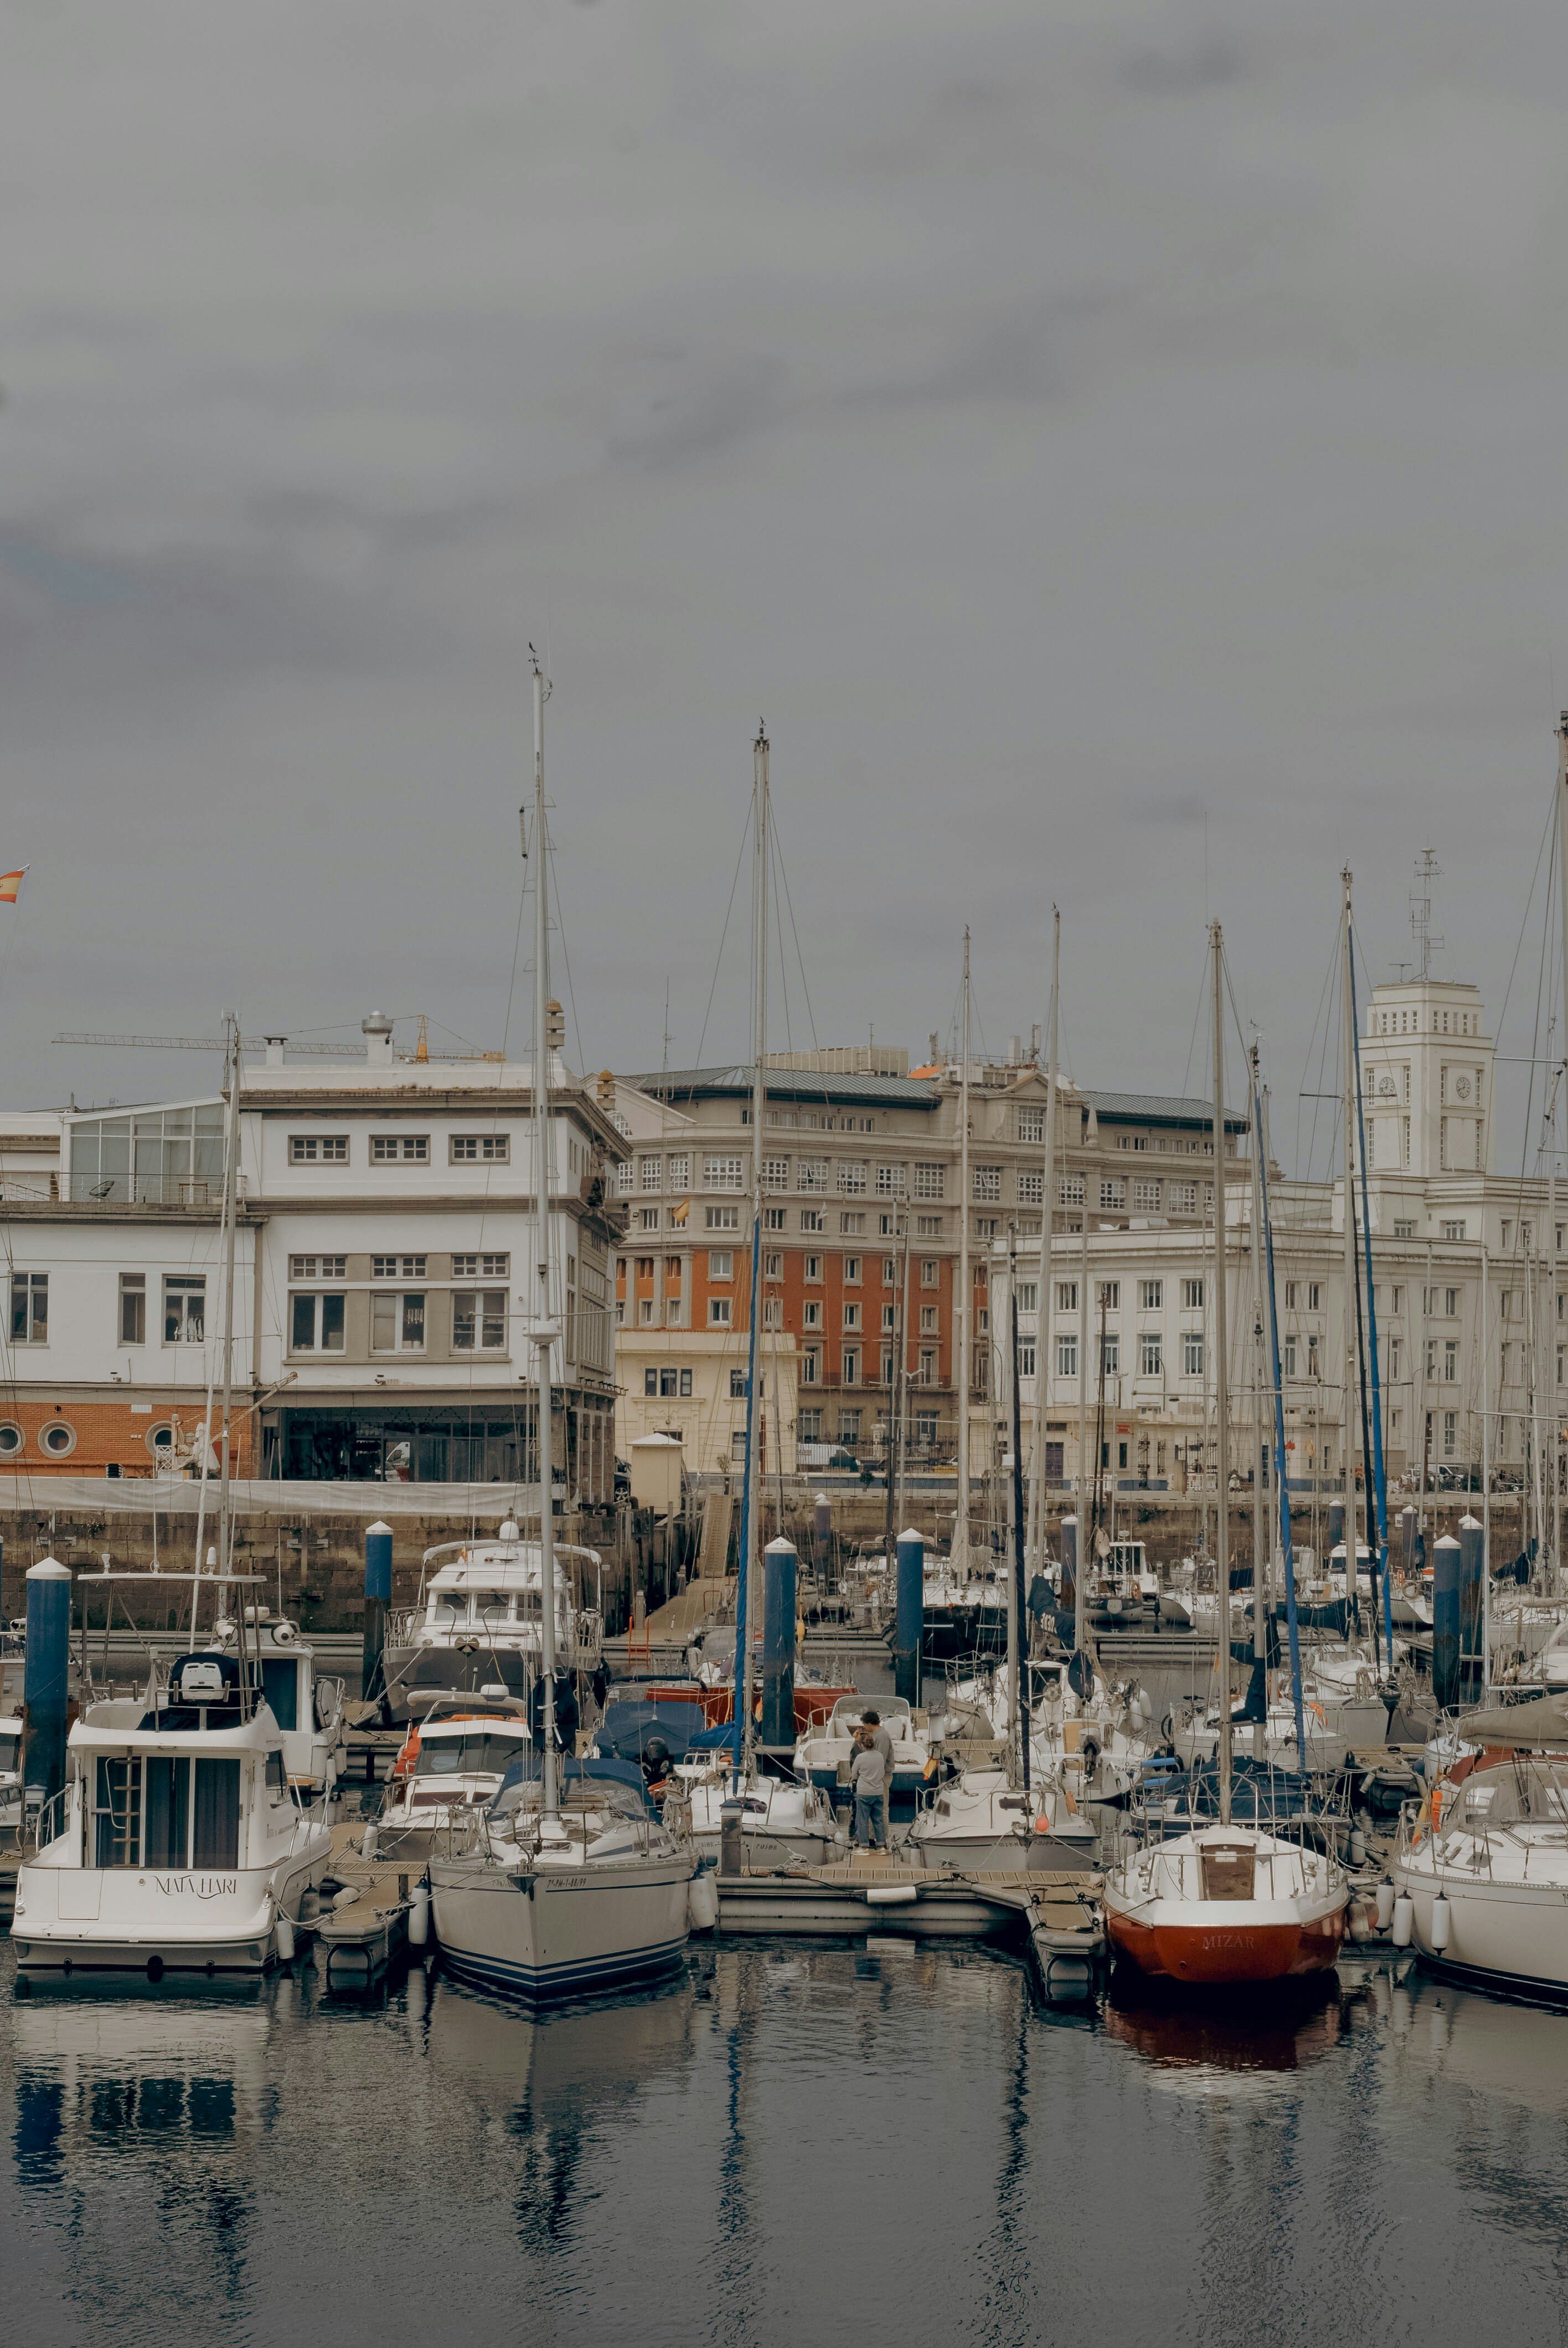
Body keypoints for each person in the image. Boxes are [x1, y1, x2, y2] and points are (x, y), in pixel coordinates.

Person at [850, 1725, 888, 1853]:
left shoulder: (861, 1758)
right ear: (874, 1745)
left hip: (864, 1792)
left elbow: (854, 1774)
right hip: (878, 1791)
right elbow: (882, 1772)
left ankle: (863, 1846)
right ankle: (882, 1846)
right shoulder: (880, 1757)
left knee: (862, 1819)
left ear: (863, 1746)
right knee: (878, 1819)